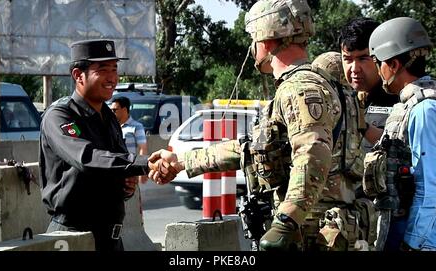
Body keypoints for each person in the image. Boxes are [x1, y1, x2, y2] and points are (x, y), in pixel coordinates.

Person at [149, 0, 372, 251]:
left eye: (253, 38)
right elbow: (252, 149)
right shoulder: (317, 85)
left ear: (264, 39)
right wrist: (182, 161)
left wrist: (287, 220)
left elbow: (312, 153)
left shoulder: (299, 89)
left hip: (314, 233)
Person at [39, 39, 167, 251]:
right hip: (73, 237)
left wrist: (126, 185)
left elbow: (116, 165)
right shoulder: (60, 116)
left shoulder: (109, 116)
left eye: (115, 69)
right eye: (103, 69)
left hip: (111, 239)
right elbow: (87, 158)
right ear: (78, 75)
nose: (112, 77)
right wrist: (145, 163)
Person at [368, 17, 436, 251]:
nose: (378, 70)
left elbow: (429, 187)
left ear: (394, 65)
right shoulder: (415, 104)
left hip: (424, 238)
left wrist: (413, 242)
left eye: (378, 63)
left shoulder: (424, 110)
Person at [338, 17, 399, 151]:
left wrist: (362, 126)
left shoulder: (404, 100)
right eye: (347, 59)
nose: (354, 69)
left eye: (363, 58)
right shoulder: (340, 100)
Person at [110, 96, 148, 184]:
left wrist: (141, 171)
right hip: (114, 170)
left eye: (115, 110)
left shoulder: (137, 126)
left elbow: (143, 148)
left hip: (130, 171)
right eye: (111, 110)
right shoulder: (111, 127)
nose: (112, 112)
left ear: (124, 109)